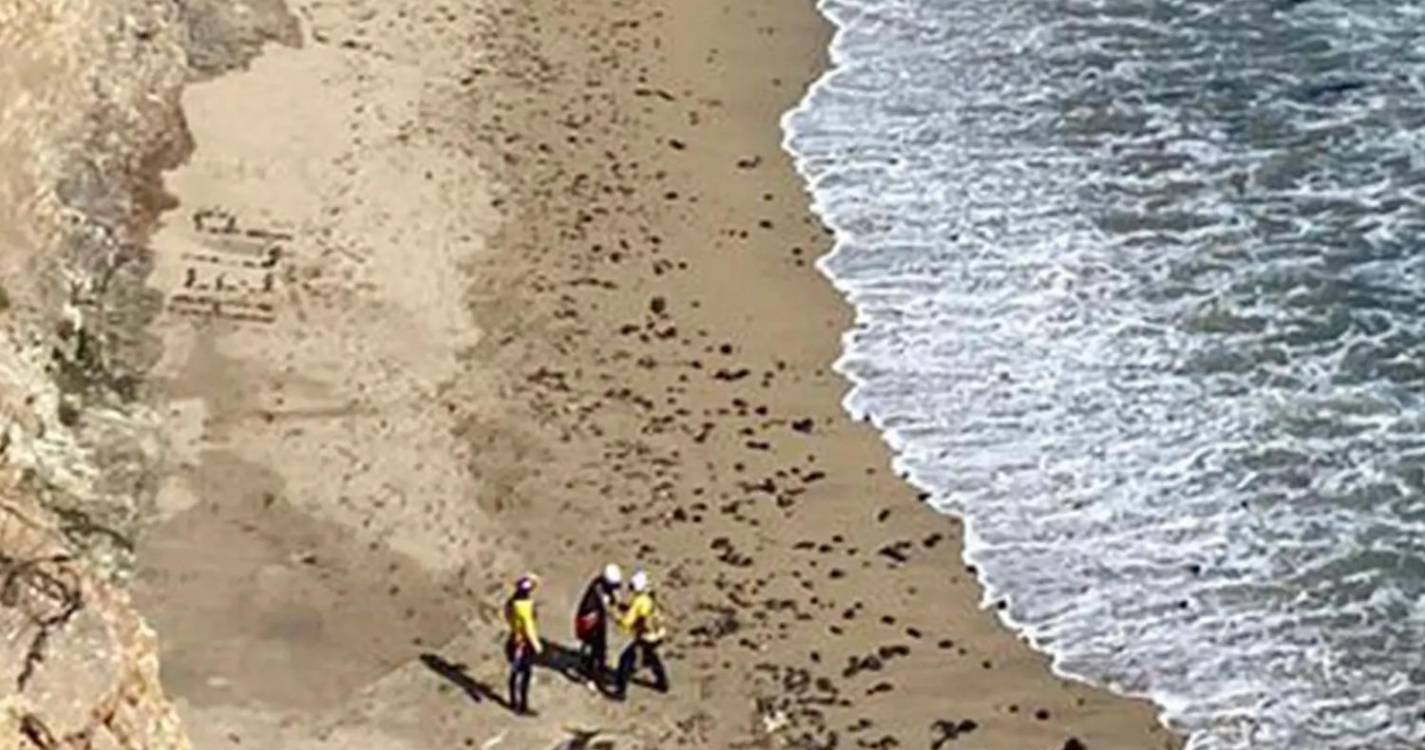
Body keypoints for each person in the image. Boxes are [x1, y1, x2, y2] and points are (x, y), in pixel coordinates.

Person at [612, 569, 668, 699]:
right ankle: (662, 683)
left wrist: (616, 617)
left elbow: (627, 622)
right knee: (653, 658)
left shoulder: (638, 602)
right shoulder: (650, 597)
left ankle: (621, 691)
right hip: (658, 634)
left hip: (645, 638)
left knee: (625, 660)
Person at [574, 563, 622, 685]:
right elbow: (606, 607)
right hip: (590, 622)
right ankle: (587, 675)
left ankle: (600, 666)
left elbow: (615, 599)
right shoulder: (598, 592)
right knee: (592, 649)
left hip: (598, 620)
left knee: (601, 646)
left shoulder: (602, 585)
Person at [504, 574, 543, 715]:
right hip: (522, 643)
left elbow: (507, 615)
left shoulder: (511, 602)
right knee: (524, 673)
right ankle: (521, 705)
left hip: (514, 637)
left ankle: (513, 701)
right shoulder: (525, 607)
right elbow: (529, 627)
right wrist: (536, 645)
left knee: (515, 672)